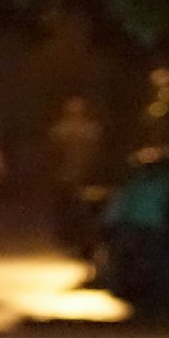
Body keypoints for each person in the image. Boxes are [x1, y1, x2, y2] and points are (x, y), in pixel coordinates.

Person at [46, 95, 104, 249]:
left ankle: (77, 238)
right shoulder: (62, 131)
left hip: (80, 176)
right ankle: (70, 237)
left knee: (80, 209)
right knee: (70, 208)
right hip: (68, 176)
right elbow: (53, 155)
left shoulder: (88, 131)